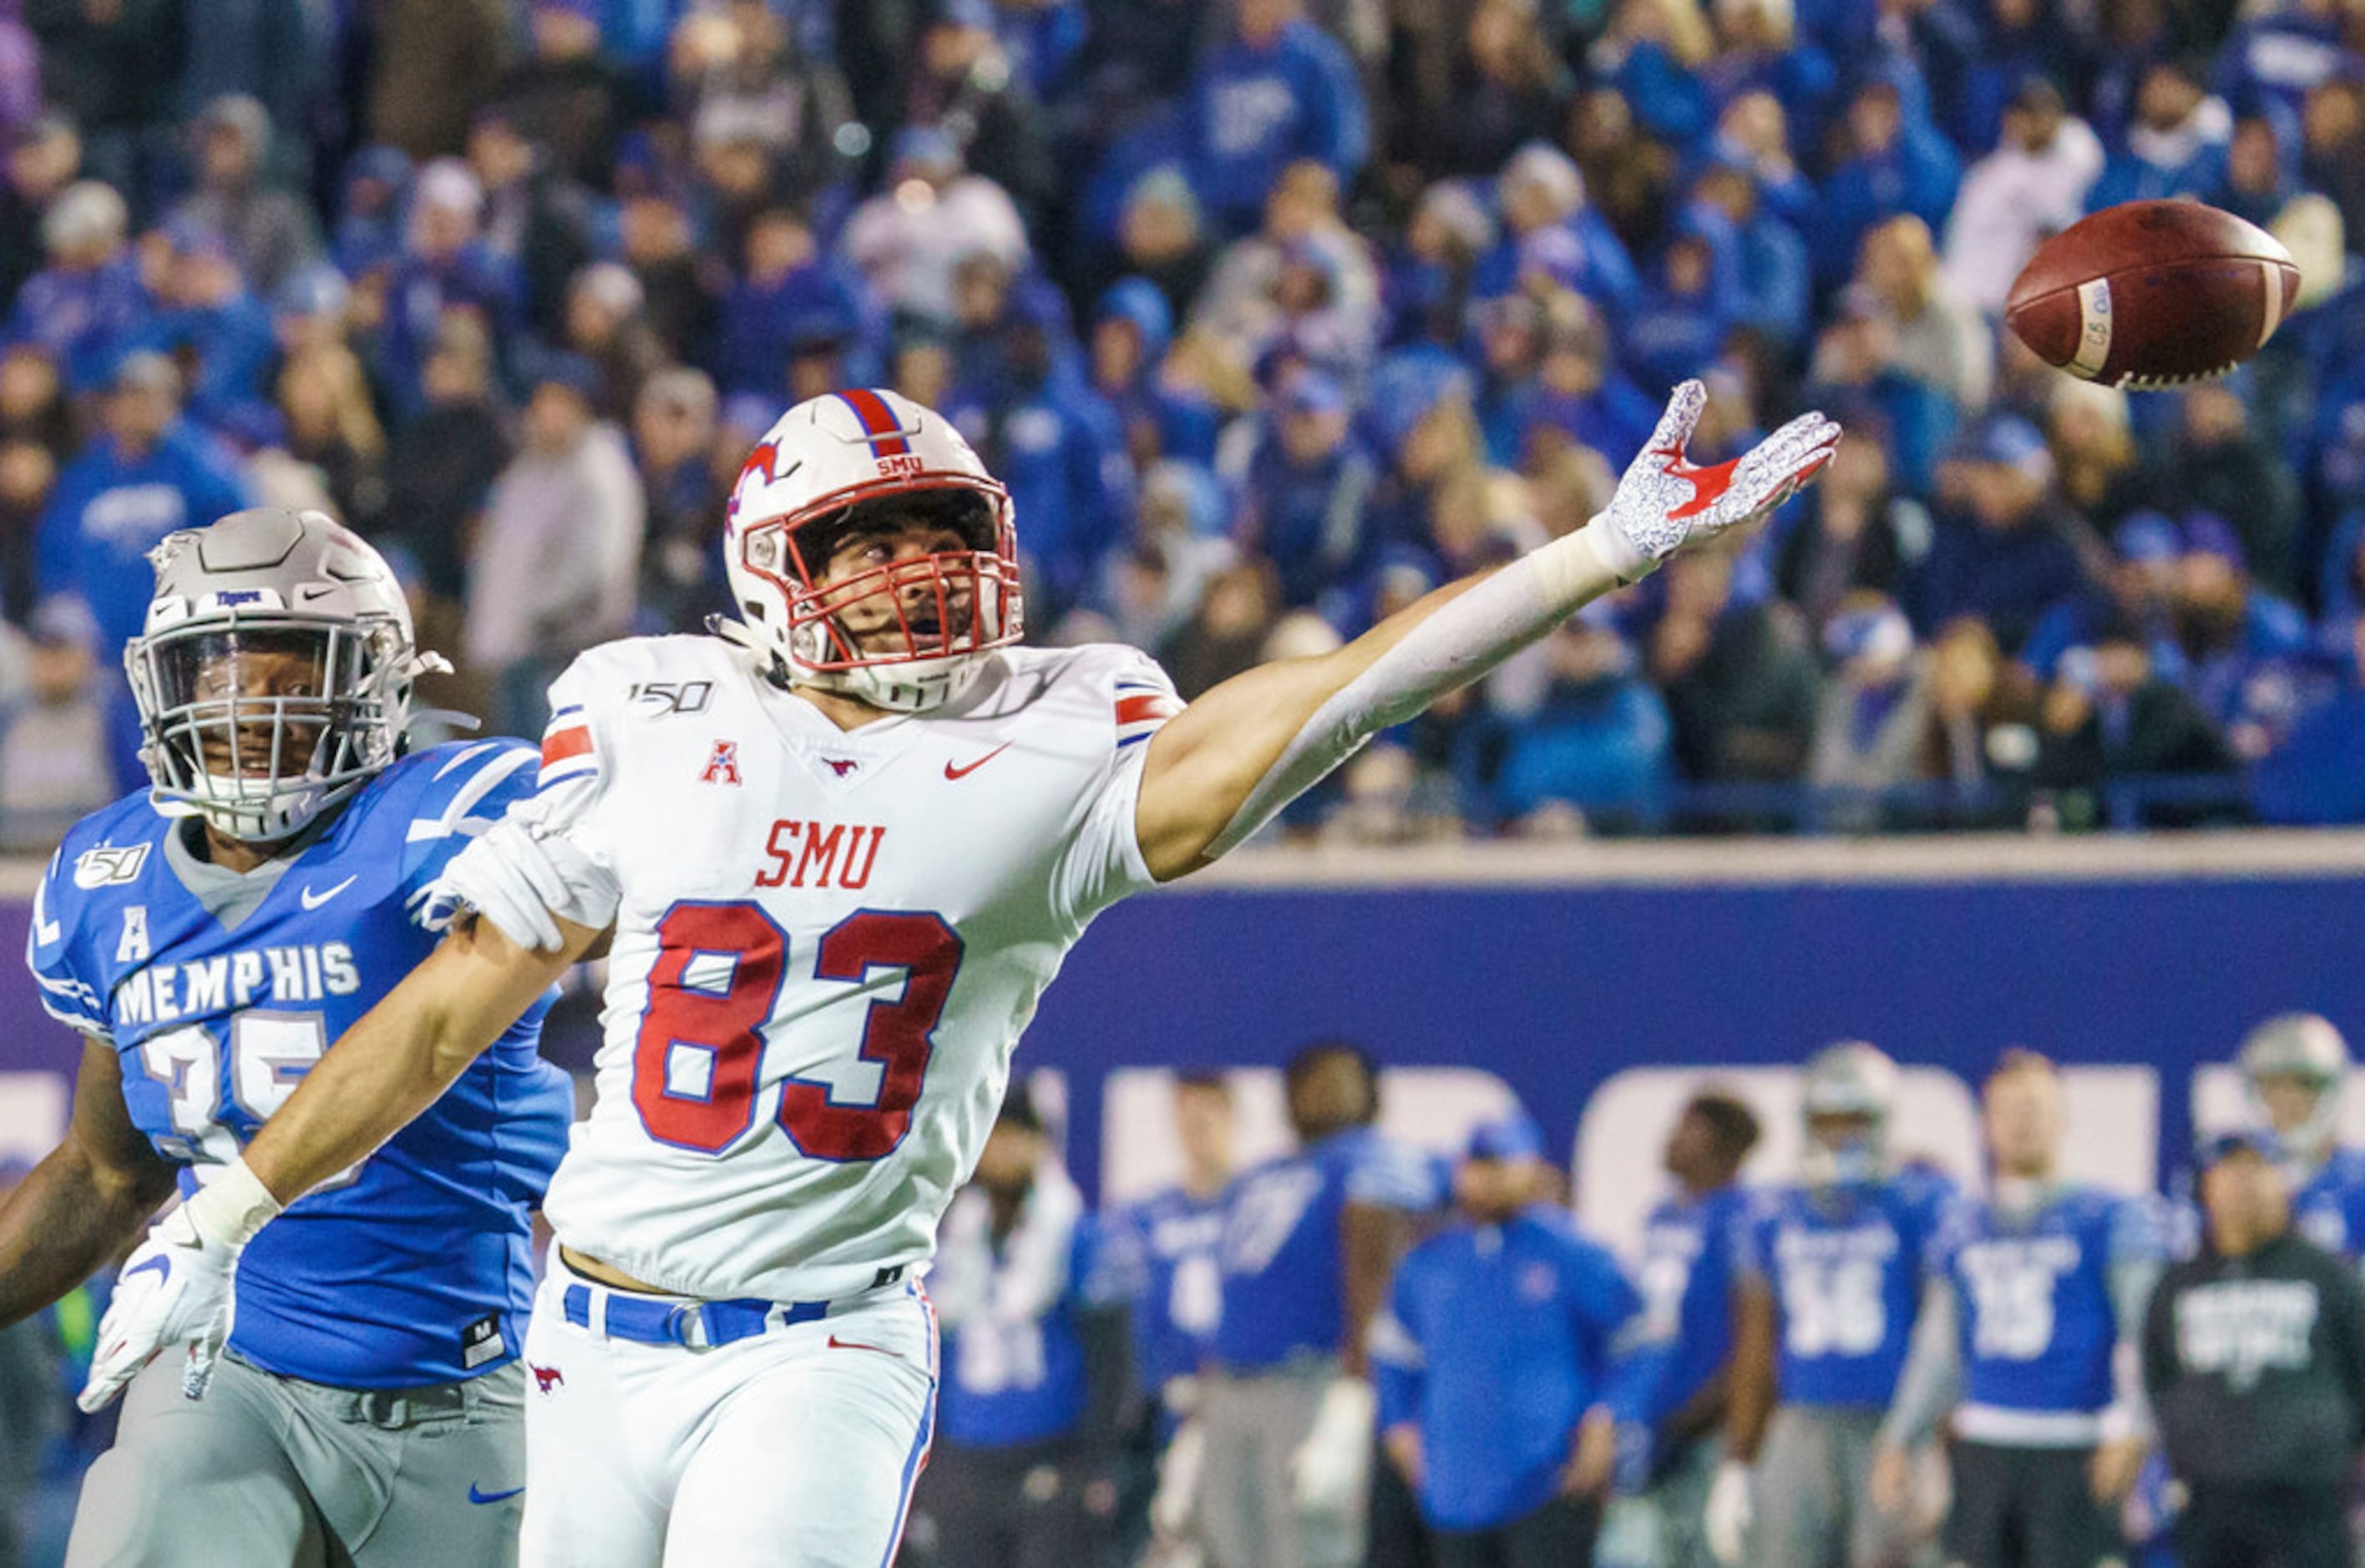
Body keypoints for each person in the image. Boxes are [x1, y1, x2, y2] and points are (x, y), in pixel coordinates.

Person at [78, 381, 1840, 1568]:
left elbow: (1331, 701)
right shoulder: (652, 710)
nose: (921, 572)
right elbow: (456, 999)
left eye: (940, 531)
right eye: (868, 543)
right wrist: (222, 1210)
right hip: (582, 1340)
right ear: (776, 568)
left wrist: (1595, 556)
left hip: (818, 1345)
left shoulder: (1060, 740)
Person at [7, 507, 571, 1565]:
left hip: (460, 1391)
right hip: (227, 1374)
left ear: (379, 681)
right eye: (211, 672)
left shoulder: (449, 812)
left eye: (290, 668)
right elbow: (101, 1172)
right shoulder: (105, 875)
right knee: (135, 1521)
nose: (244, 704)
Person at [1868, 1050, 2160, 1568]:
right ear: (1985, 1125)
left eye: (2035, 1109)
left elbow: (2148, 1333)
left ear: (2062, 1119)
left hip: (2074, 1445)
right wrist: (1899, 1434)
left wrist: (2135, 1428)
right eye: (2008, 1111)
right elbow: (1939, 1345)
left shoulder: (2106, 1216)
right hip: (1984, 1447)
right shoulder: (1962, 1223)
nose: (2022, 1124)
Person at [1187, 1040, 1441, 1568]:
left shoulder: (1373, 1159)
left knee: (1308, 1535)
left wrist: (1355, 1390)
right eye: (1315, 1078)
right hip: (1231, 1380)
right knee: (1227, 1538)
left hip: (1313, 1377)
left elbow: (1380, 1262)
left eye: (1344, 1078)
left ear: (1371, 1094)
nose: (1329, 1090)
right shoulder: (1258, 1175)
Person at [1708, 1040, 1954, 1568]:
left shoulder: (1918, 1203)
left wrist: (1939, 1445)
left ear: (1882, 1120)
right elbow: (1755, 1350)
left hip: (1890, 1424)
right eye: (1828, 1118)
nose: (1841, 1133)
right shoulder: (1772, 1213)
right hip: (1801, 1422)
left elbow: (1944, 1338)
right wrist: (1738, 1463)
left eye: (1856, 1117)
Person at [1373, 1111, 1641, 1568]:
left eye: (1501, 1166)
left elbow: (1640, 1342)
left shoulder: (1573, 1253)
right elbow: (1393, 1353)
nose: (1487, 1180)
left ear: (1531, 1170)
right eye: (1477, 1166)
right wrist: (1399, 1427)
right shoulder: (1430, 1262)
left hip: (1548, 1480)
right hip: (1453, 1487)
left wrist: (1607, 1417)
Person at [907, 1086, 1133, 1568]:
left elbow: (1112, 1361)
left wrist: (1088, 1466)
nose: (1003, 1151)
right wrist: (935, 1466)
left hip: (1048, 1456)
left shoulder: (1076, 1235)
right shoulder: (950, 1240)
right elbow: (931, 1356)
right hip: (966, 1459)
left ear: (1040, 1144)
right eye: (994, 1137)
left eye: (1016, 1136)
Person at [2144, 1129, 2365, 1568]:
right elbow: (2159, 1374)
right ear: (2207, 1187)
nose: (2242, 1184)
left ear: (2284, 1183)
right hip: (2210, 1501)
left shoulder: (2326, 1274)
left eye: (2257, 1170)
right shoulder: (2179, 1283)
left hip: (2308, 1499)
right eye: (2228, 1171)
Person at [1621, 1090, 1762, 1568]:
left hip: (1709, 1428)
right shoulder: (1660, 1215)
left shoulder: (1743, 1219)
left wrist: (1707, 1410)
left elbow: (1755, 1333)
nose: (1671, 1138)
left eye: (1688, 1128)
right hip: (1655, 1425)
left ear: (1722, 1146)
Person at [1110, 1071, 1238, 1561]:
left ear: (1232, 1117)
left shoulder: (1253, 1206)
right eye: (1187, 1118)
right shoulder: (1144, 1214)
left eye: (1209, 1115)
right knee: (1159, 1539)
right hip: (1161, 1407)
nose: (1198, 1130)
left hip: (1236, 1395)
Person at [2234, 1014, 2365, 1259]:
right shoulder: (2235, 1179)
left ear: (2332, 1089)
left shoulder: (2358, 1179)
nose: (2289, 1100)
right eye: (2273, 1085)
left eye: (2305, 1084)